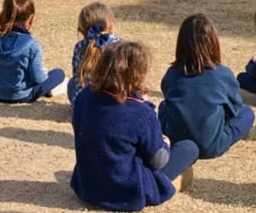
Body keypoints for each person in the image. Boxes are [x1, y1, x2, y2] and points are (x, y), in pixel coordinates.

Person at [71, 41, 199, 212]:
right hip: (128, 190)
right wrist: (165, 144)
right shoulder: (140, 112)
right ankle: (175, 180)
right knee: (188, 148)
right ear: (139, 75)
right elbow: (157, 160)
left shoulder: (84, 97)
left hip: (88, 185)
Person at [158, 14, 255, 159]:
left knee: (163, 105)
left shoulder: (172, 74)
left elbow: (168, 98)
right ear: (213, 42)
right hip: (211, 146)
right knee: (247, 113)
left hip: (177, 141)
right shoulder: (222, 74)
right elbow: (236, 109)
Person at [0, 0, 66, 103]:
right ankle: (50, 90)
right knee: (59, 73)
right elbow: (38, 78)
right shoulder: (32, 45)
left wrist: (3, 64)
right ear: (31, 20)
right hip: (23, 95)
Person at [67, 2, 120, 105]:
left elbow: (76, 74)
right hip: (112, 103)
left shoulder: (79, 46)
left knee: (72, 83)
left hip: (85, 105)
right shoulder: (121, 46)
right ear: (111, 23)